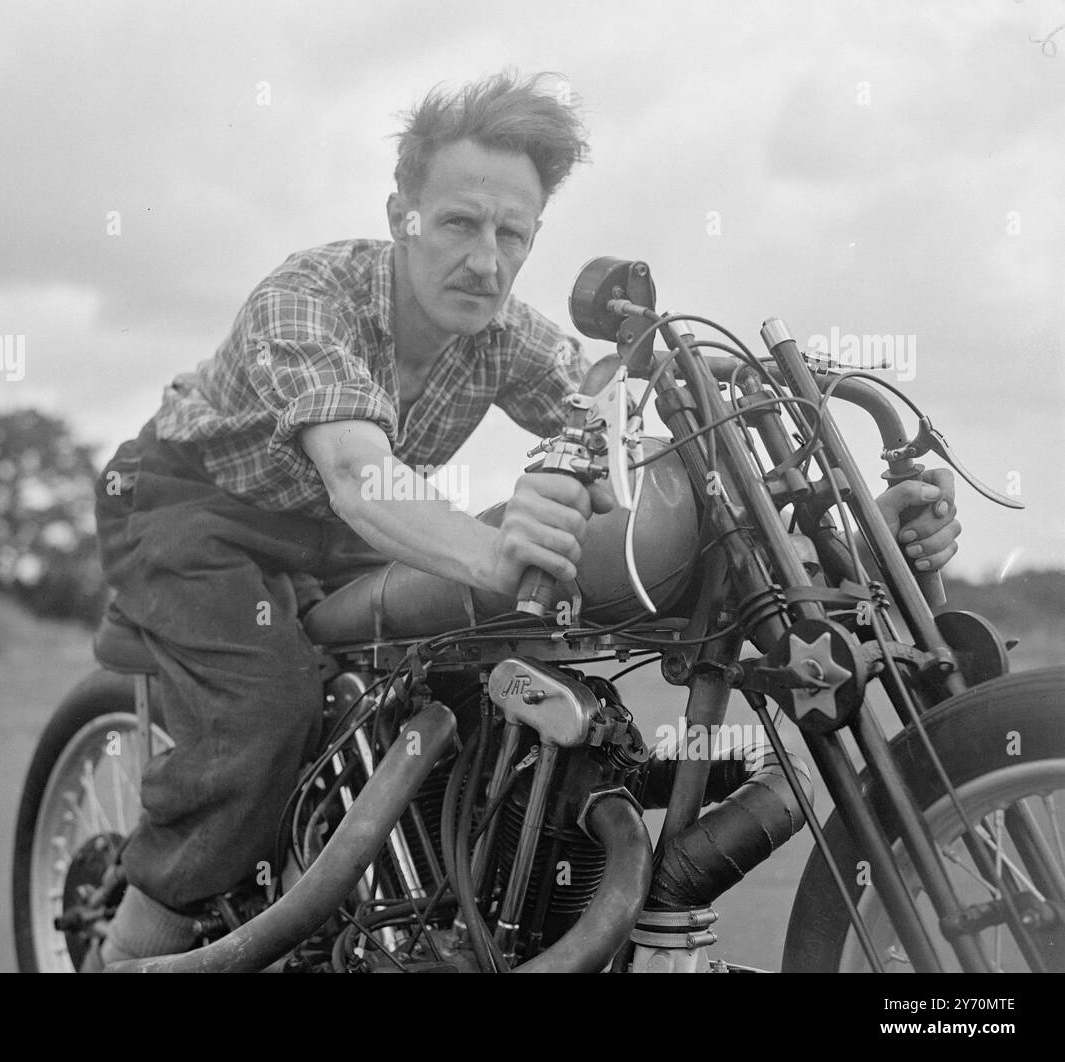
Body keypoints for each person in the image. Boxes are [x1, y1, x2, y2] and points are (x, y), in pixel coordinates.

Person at [86, 70, 961, 969]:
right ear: (403, 216)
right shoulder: (310, 295)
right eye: (461, 223)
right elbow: (357, 474)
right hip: (190, 512)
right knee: (262, 715)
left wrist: (851, 539)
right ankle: (129, 947)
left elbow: (630, 451)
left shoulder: (509, 335)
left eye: (514, 233)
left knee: (470, 669)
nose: (487, 260)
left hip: (343, 539)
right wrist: (487, 545)